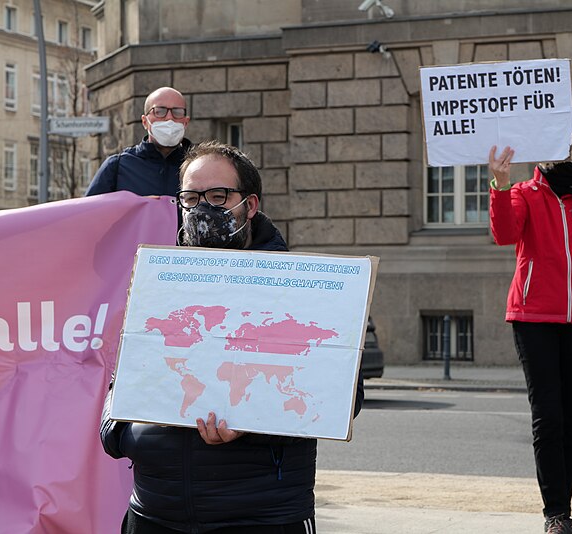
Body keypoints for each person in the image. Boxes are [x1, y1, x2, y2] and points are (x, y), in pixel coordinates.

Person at [101, 141, 364, 533]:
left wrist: (253, 422)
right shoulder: (156, 286)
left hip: (259, 517)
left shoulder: (301, 292)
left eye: (219, 196)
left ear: (251, 205)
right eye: (190, 197)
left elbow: (343, 396)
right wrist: (128, 433)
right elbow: (118, 391)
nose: (203, 208)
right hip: (154, 514)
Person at [489, 125, 572, 534]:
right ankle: (555, 515)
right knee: (548, 417)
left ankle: (564, 513)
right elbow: (505, 235)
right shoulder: (526, 193)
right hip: (534, 317)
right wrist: (500, 183)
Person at [86, 86, 193, 197]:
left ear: (186, 122)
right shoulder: (118, 166)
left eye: (177, 112)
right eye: (160, 111)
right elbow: (90, 211)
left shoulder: (198, 165)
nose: (169, 118)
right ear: (144, 122)